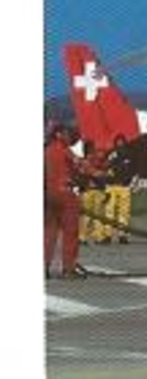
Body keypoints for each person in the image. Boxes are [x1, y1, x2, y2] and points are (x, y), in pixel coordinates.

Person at [44, 119, 86, 279]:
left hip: (48, 195)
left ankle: (44, 267)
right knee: (70, 232)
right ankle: (68, 269)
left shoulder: (46, 150)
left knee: (49, 232)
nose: (71, 137)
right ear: (59, 134)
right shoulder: (64, 150)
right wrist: (97, 173)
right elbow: (80, 166)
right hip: (66, 195)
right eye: (67, 133)